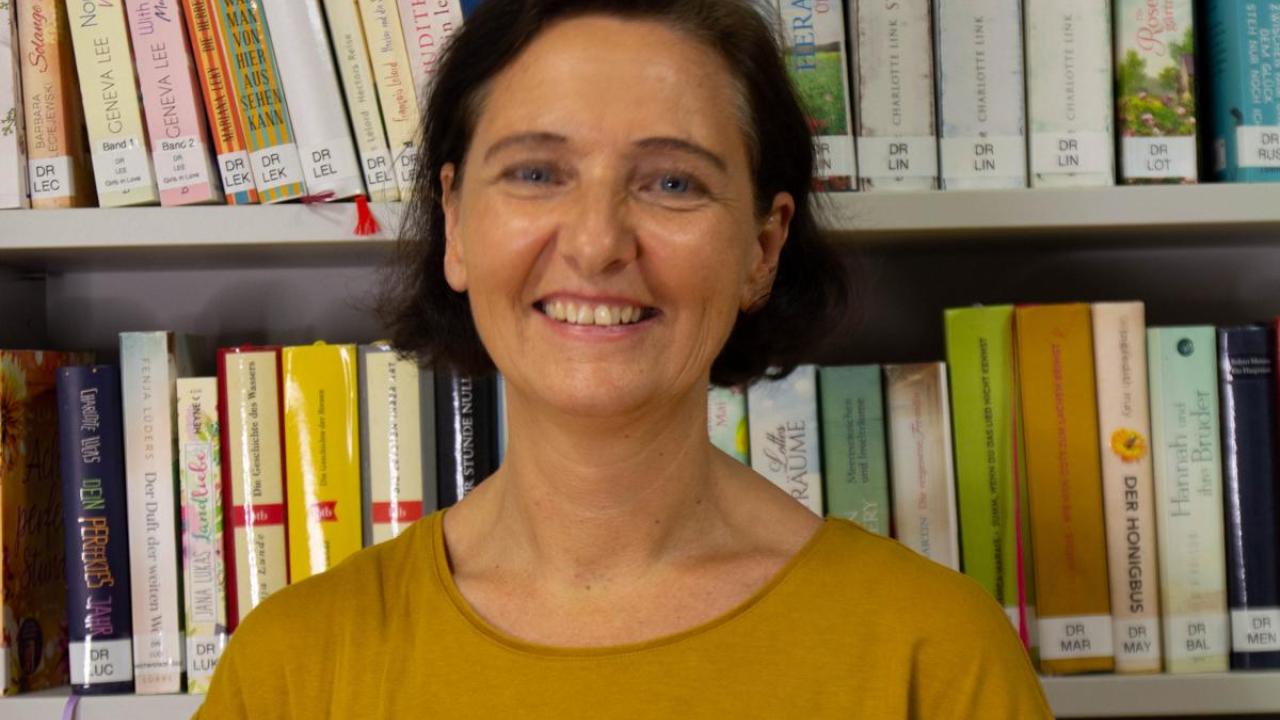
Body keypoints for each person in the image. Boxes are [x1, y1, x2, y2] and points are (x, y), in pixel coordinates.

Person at [196, 1, 1053, 717]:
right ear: (454, 223)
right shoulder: (292, 669)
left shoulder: (934, 656)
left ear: (763, 247)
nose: (597, 243)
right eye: (537, 173)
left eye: (672, 183)